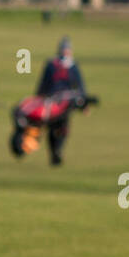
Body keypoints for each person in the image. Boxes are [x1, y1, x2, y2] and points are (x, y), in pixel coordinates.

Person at [36, 37, 87, 166]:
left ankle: (57, 151)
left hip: (61, 102)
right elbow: (44, 83)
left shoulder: (68, 65)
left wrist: (84, 103)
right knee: (56, 128)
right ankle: (55, 152)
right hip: (55, 102)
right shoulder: (56, 65)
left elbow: (79, 86)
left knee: (60, 127)